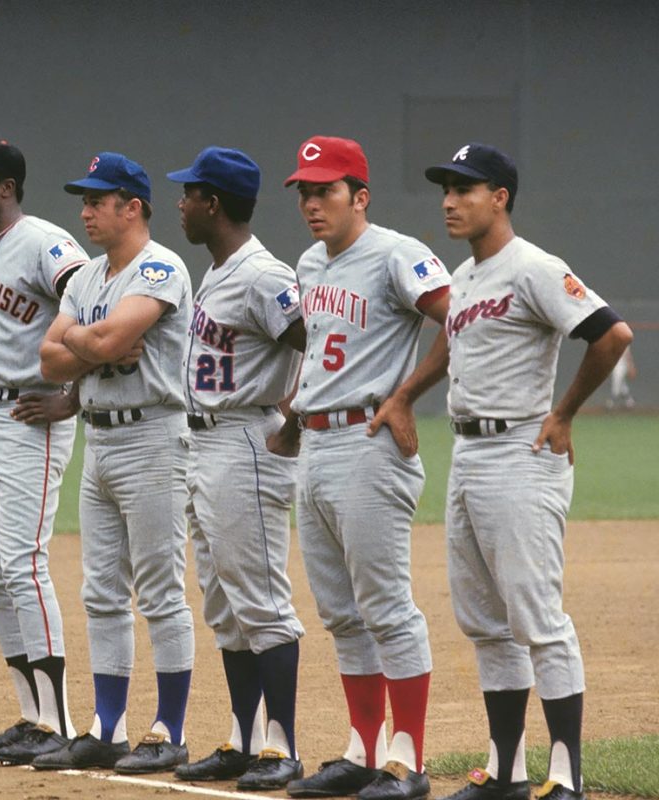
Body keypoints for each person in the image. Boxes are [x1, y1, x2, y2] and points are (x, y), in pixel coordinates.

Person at [424, 143, 633, 800]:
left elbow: (612, 334)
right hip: (467, 452)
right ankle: (506, 771)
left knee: (538, 618)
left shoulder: (534, 267)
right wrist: (404, 394)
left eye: (464, 189)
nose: (450, 201)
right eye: (446, 189)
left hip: (520, 450)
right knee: (485, 622)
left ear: (500, 197)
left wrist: (564, 412)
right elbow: (449, 345)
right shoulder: (465, 276)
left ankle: (566, 776)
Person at [274, 136, 452, 800]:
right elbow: (324, 350)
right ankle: (365, 748)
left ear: (361, 196)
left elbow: (460, 318)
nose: (312, 203)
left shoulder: (396, 253)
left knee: (385, 607)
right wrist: (296, 414)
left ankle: (408, 760)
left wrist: (406, 396)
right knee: (342, 614)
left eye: (326, 190)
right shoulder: (308, 263)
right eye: (304, 192)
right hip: (317, 445)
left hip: (370, 441)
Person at [35, 152, 195, 774]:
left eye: (97, 201)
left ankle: (170, 728)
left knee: (159, 590)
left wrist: (88, 341)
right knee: (101, 592)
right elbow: (49, 358)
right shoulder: (85, 278)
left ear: (132, 208)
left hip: (153, 435)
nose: (85, 211)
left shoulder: (160, 267)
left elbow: (88, 341)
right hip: (99, 438)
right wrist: (99, 347)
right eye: (84, 200)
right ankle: (108, 727)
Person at [161, 147, 309, 791]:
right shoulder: (219, 270)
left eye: (189, 193)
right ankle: (244, 740)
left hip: (246, 440)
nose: (181, 203)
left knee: (262, 602)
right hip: (206, 444)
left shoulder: (263, 275)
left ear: (213, 203)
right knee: (224, 606)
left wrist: (296, 416)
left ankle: (283, 746)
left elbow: (320, 341)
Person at [0, 138, 88, 765]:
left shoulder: (45, 243)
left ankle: (57, 721)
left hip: (29, 416)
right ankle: (32, 714)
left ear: (6, 188)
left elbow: (96, 301)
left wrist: (74, 396)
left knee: (24, 564)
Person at [606, 345, 635, 409]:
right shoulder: (612, 343)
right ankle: (630, 402)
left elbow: (628, 355)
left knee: (616, 385)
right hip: (615, 367)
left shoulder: (624, 343)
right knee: (622, 385)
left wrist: (631, 367)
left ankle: (610, 403)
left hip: (621, 367)